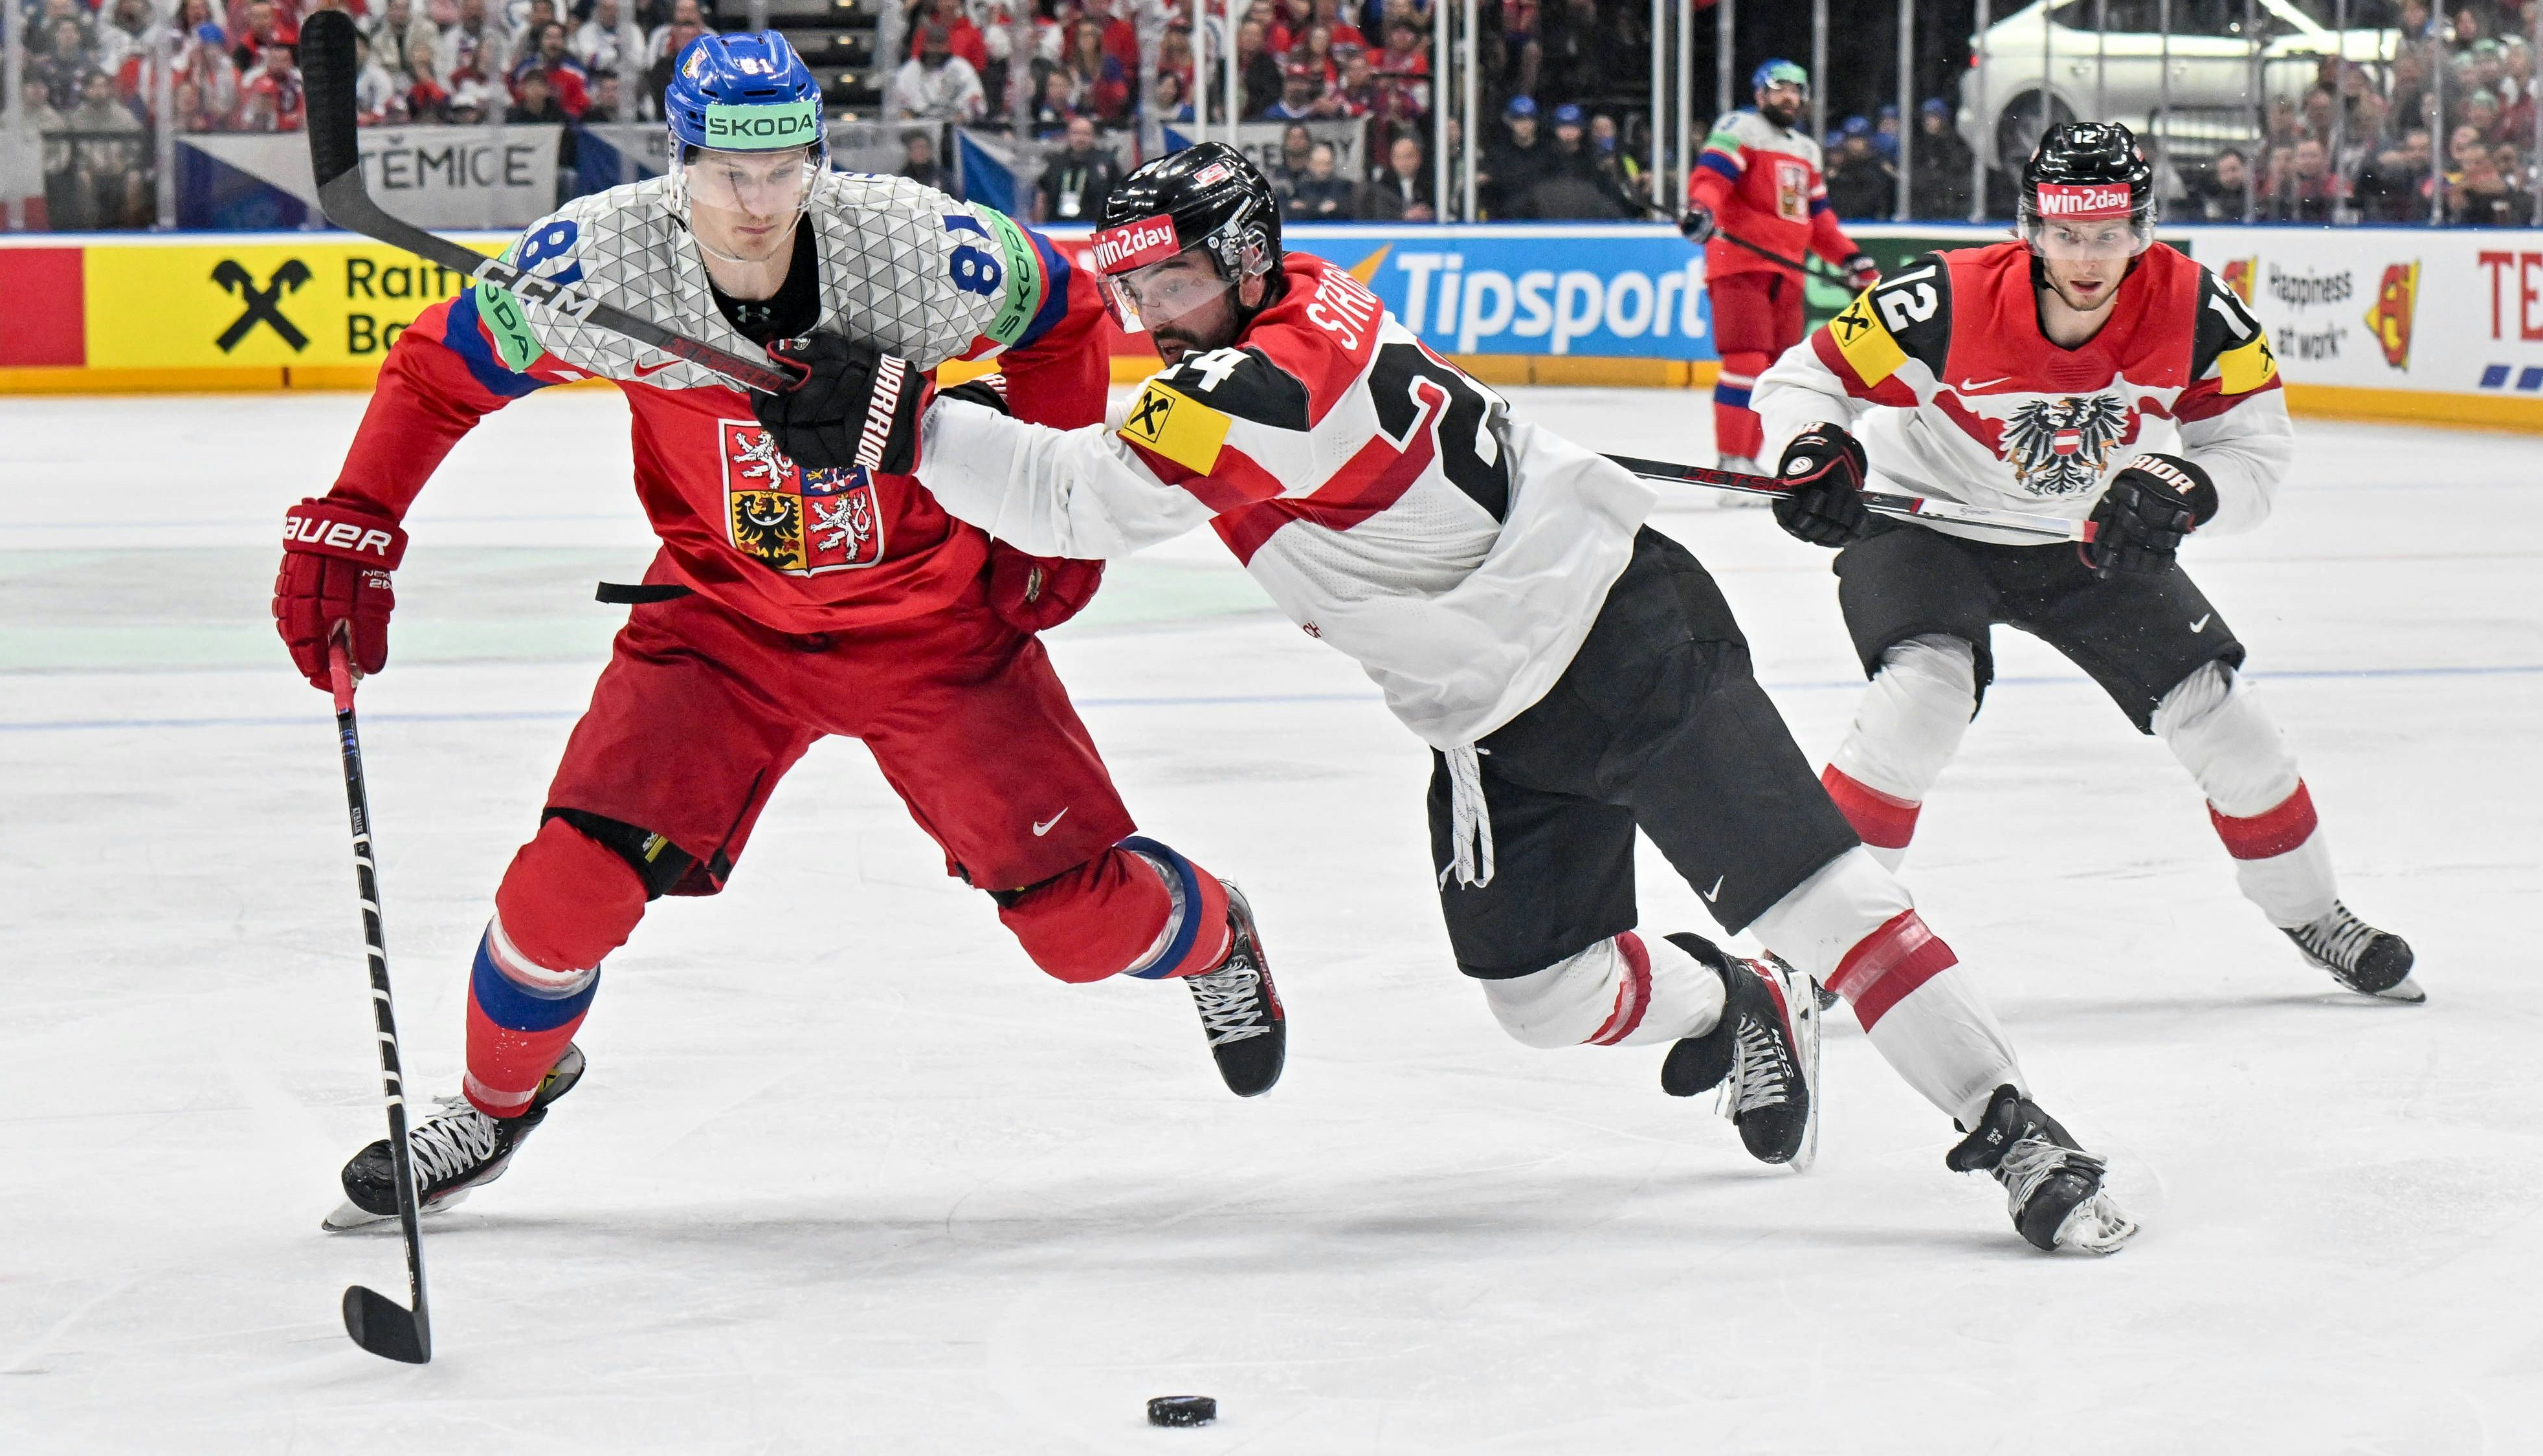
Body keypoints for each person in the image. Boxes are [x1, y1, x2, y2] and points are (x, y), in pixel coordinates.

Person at [772, 143, 2142, 1255]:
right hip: (1483, 704)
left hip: (1616, 628)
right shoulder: (1281, 318)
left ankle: (2016, 1126)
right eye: (1131, 291)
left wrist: (909, 421)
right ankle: (1735, 1009)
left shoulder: (1264, 377)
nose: (1148, 318)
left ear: (1243, 262)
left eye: (1172, 281)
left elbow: (1079, 501)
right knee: (1537, 996)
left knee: (1821, 899)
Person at [291, 34, 1286, 1232]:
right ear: (681, 165)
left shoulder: (920, 249)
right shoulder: (600, 259)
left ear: (816, 160)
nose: (754, 205)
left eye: (781, 171)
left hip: (933, 630)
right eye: (725, 175)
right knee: (565, 892)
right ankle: (500, 1103)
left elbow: (1066, 317)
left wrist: (1040, 523)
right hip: (722, 623)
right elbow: (439, 371)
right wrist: (357, 519)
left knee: (1078, 931)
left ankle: (1214, 934)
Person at [1749, 122, 2419, 1009]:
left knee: (2226, 721)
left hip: (2087, 536)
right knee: (1922, 702)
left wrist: (2189, 484)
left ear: (2143, 228)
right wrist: (1812, 445)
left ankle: (2313, 912)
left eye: (2107, 234)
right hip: (1931, 521)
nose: (2086, 257)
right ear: (2030, 225)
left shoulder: (2198, 310)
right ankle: (1814, 948)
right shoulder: (1943, 297)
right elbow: (1807, 373)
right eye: (2066, 233)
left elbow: (2253, 452)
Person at [1676, 59, 1874, 478]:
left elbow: (1817, 220)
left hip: (1787, 275)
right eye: (1781, 88)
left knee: (1776, 372)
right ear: (1760, 94)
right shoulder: (1740, 129)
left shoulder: (1806, 150)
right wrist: (1701, 209)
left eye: (1797, 91)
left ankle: (1749, 459)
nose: (1790, 97)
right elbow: (1712, 179)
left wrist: (1851, 259)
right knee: (1745, 363)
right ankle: (1733, 460)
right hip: (1740, 266)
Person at [887, 21, 985, 122]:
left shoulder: (961, 69)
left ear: (948, 45)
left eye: (940, 44)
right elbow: (899, 106)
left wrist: (958, 120)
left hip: (954, 126)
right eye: (931, 44)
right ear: (925, 45)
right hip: (918, 127)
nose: (935, 49)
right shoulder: (911, 69)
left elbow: (976, 103)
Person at [1478, 93, 1553, 219]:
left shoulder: (1548, 153)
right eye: (1519, 119)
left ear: (1536, 122)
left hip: (1541, 220)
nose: (1524, 125)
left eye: (1529, 119)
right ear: (1509, 121)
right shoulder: (1498, 154)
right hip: (1505, 220)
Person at [1034, 113, 1119, 223]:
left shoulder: (1107, 163)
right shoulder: (1056, 162)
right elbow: (1042, 197)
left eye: (1086, 134)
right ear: (1068, 135)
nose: (1081, 138)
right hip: (1057, 226)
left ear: (1093, 136)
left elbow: (1118, 196)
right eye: (1076, 133)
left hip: (1095, 226)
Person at [1364, 129, 1435, 220]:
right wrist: (1404, 217)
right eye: (1398, 158)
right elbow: (1380, 215)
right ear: (1392, 160)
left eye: (1408, 157)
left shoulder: (1431, 183)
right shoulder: (1383, 186)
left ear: (1419, 158)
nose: (1403, 163)